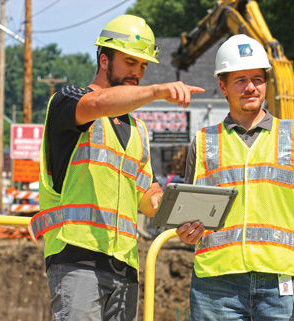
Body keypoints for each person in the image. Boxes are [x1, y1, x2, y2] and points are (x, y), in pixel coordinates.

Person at [29, 14, 204, 321]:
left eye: (142, 66)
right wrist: (158, 91)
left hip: (124, 266)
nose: (137, 73)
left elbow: (147, 195)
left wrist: (181, 214)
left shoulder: (138, 130)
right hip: (76, 258)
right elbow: (99, 104)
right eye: (129, 62)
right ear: (104, 60)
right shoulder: (69, 101)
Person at [177, 34, 294, 321]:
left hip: (280, 280)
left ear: (266, 83)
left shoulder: (292, 137)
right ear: (223, 86)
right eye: (240, 80)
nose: (250, 87)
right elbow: (188, 215)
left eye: (257, 79)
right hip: (216, 285)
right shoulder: (204, 141)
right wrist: (185, 232)